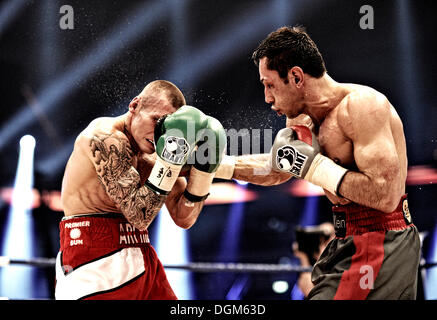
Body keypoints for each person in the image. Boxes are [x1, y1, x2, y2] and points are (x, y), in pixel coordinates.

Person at [214, 26, 420, 299]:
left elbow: (385, 195)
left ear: (296, 76)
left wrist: (315, 167)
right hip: (344, 238)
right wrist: (216, 165)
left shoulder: (363, 107)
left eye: (270, 84)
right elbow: (278, 170)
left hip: (383, 238)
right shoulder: (301, 119)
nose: (267, 97)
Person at [55, 80, 226, 300]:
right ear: (135, 105)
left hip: (141, 249)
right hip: (94, 253)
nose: (159, 133)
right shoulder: (104, 137)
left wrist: (204, 172)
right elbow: (139, 215)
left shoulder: (155, 155)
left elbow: (184, 218)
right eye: (156, 120)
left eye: (167, 128)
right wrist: (170, 162)